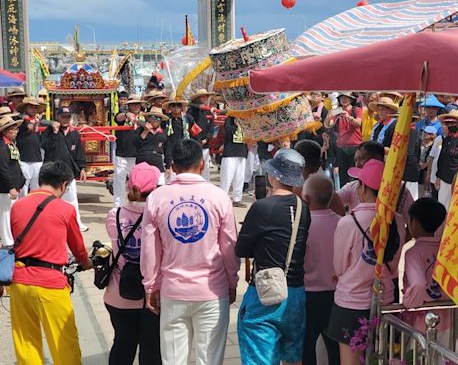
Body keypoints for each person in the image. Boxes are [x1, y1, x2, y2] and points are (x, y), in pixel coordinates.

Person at [141, 139, 240, 365]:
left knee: (173, 359)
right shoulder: (219, 197)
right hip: (212, 290)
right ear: (202, 164)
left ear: (173, 167)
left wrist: (151, 285)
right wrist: (231, 281)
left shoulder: (157, 197)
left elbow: (150, 248)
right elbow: (229, 245)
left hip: (172, 290)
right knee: (210, 359)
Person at [9, 161, 93, 365]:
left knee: (26, 341)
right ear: (64, 185)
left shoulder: (17, 205)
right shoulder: (65, 209)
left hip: (19, 282)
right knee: (64, 344)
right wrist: (88, 263)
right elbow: (78, 249)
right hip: (51, 284)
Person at [325, 159, 405, 365]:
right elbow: (394, 266)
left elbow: (339, 267)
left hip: (350, 303)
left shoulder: (347, 222)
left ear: (363, 188)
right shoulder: (397, 220)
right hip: (385, 301)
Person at [236, 148, 311, 365]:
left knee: (259, 356)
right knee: (292, 357)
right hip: (296, 292)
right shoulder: (303, 208)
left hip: (265, 293)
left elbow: (242, 249)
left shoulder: (262, 207)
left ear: (274, 176)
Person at [104, 162, 161, 365]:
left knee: (122, 344)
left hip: (119, 293)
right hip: (153, 296)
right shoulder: (159, 215)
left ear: (129, 185)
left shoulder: (114, 215)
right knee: (152, 348)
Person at [302, 173, 340, 365]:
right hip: (337, 295)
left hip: (309, 294)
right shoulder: (342, 222)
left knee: (306, 346)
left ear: (306, 198)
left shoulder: (303, 225)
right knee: (335, 348)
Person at [402, 198, 451, 344]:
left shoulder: (414, 253)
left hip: (423, 322)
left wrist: (408, 303)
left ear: (414, 223)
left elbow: (418, 285)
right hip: (448, 319)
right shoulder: (446, 251)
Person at [334, 141, 414, 223]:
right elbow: (332, 201)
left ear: (377, 158)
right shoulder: (352, 187)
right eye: (355, 160)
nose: (357, 165)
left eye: (362, 159)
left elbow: (413, 222)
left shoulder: (401, 192)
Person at [42, 107, 88, 232]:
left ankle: (76, 222)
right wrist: (55, 133)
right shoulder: (49, 131)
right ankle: (50, 223)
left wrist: (82, 167)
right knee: (51, 199)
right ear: (58, 117)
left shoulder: (74, 133)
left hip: (68, 171)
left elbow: (79, 152)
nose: (65, 119)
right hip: (53, 171)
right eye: (63, 117)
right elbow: (46, 147)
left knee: (72, 199)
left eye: (68, 117)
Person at [113, 94, 146, 207]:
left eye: (138, 104)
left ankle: (136, 204)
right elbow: (118, 118)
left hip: (139, 155)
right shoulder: (123, 115)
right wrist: (128, 115)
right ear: (129, 106)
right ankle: (118, 206)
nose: (136, 106)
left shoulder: (144, 117)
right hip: (122, 154)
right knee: (119, 181)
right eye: (133, 104)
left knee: (138, 182)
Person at [325, 92, 362, 186]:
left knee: (355, 176)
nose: (344, 99)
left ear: (351, 99)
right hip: (341, 147)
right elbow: (327, 125)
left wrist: (348, 117)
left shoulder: (356, 109)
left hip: (355, 146)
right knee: (342, 177)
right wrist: (329, 116)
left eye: (347, 97)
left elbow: (358, 123)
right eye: (342, 98)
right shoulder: (337, 111)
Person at [435, 109, 458, 210]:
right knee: (442, 207)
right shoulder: (447, 139)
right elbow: (441, 159)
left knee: (453, 208)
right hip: (444, 179)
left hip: (455, 180)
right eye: (447, 123)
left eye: (451, 123)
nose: (449, 125)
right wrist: (438, 176)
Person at [0, 115, 25, 246]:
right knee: (5, 214)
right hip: (5, 189)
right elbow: (3, 169)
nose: (15, 132)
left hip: (15, 186)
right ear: (4, 131)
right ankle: (6, 241)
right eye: (12, 130)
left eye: (16, 129)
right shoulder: (2, 147)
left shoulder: (11, 145)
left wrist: (20, 181)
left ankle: (11, 238)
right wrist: (10, 186)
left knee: (11, 214)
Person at [136, 106, 171, 185]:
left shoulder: (164, 133)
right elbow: (137, 145)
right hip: (142, 160)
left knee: (160, 185)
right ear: (148, 118)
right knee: (142, 186)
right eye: (153, 117)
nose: (156, 120)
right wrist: (146, 131)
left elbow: (168, 150)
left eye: (159, 118)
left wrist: (168, 167)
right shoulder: (140, 130)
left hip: (158, 160)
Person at [16, 97, 44, 197]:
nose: (33, 109)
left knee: (36, 188)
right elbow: (28, 126)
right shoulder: (20, 120)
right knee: (23, 189)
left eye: (35, 107)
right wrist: (30, 122)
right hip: (24, 159)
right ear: (25, 108)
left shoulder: (38, 120)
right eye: (30, 107)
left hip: (37, 159)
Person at [219, 116, 248, 208]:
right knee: (226, 178)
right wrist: (235, 125)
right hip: (230, 152)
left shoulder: (245, 119)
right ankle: (222, 199)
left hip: (242, 152)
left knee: (239, 178)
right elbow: (227, 133)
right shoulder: (229, 119)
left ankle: (237, 199)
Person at [188, 89, 215, 181]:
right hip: (194, 143)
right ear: (198, 98)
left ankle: (205, 184)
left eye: (207, 96)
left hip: (205, 144)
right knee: (193, 164)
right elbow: (191, 126)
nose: (206, 98)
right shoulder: (192, 110)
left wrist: (206, 139)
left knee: (205, 166)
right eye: (203, 96)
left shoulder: (209, 111)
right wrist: (198, 140)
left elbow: (211, 128)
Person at [419, 126, 437, 196]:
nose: (425, 134)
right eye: (424, 132)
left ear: (432, 135)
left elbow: (431, 159)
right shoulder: (420, 142)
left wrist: (425, 165)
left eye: (427, 133)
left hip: (426, 171)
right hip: (418, 169)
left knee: (425, 190)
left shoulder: (434, 146)